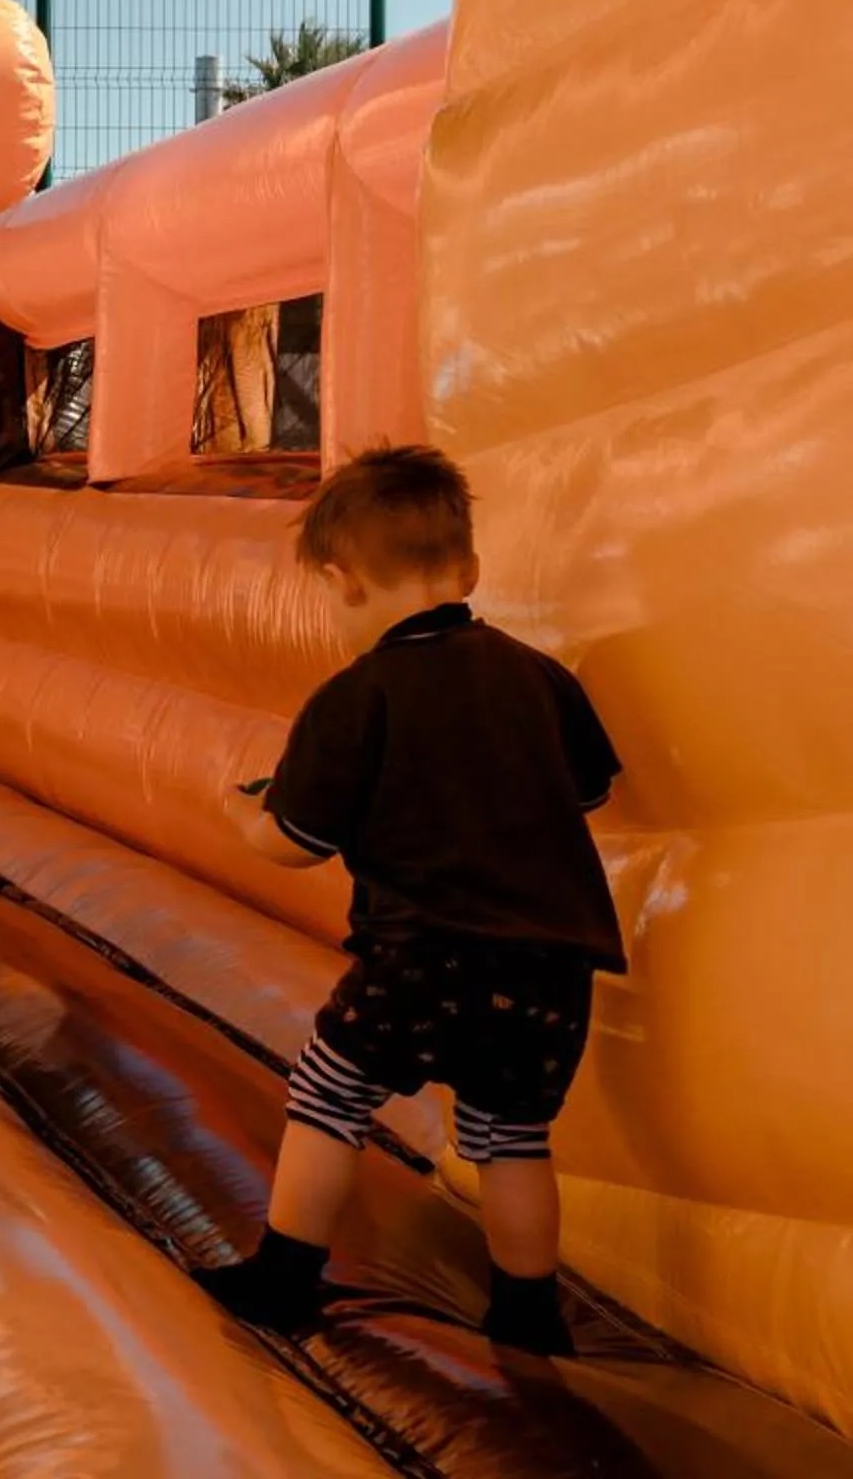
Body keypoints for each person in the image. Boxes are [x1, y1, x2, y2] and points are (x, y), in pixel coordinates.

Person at [196, 446, 624, 1354]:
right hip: (551, 963)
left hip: (426, 954)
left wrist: (243, 820)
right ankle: (527, 1312)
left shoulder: (357, 699)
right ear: (466, 570)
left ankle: (283, 1275)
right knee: (510, 1136)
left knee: (330, 1090)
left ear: (342, 583)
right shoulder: (539, 677)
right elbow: (587, 795)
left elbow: (294, 843)